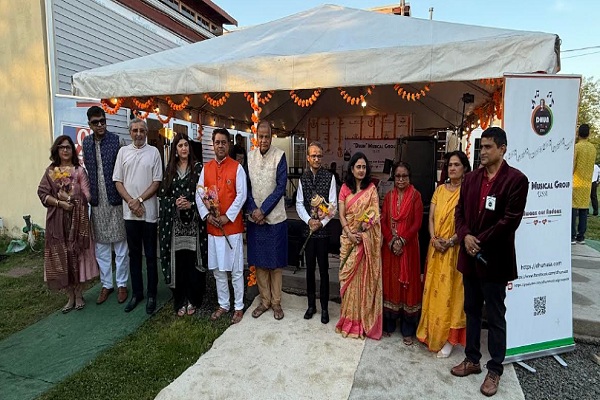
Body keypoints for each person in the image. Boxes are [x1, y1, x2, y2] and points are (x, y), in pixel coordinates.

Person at [451, 127, 528, 397]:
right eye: (481, 146)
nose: (482, 152)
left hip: (494, 261)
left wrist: (478, 241)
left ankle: (495, 369)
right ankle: (472, 359)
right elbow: (459, 212)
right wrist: (465, 236)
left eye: (488, 147)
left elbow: (510, 221)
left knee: (495, 316)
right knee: (472, 310)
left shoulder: (516, 180)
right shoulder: (471, 179)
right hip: (470, 259)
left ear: (502, 149)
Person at [417, 151, 471, 357]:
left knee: (451, 294)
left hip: (454, 250)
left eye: (457, 165)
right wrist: (433, 238)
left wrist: (450, 241)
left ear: (465, 168)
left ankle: (450, 339)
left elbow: (468, 223)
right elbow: (430, 218)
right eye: (449, 165)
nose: (452, 168)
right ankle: (431, 332)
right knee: (433, 291)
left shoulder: (467, 192)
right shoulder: (439, 191)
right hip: (435, 248)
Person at [37, 135, 98, 313]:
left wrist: (71, 198)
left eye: (68, 147)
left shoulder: (79, 171)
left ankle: (79, 295)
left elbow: (88, 196)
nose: (65, 150)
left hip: (77, 222)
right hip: (56, 222)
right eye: (61, 147)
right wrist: (60, 203)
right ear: (57, 150)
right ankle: (69, 296)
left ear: (73, 150)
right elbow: (42, 193)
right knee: (61, 257)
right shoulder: (51, 171)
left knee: (76, 256)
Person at [196, 128, 247, 324]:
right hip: (213, 228)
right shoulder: (206, 168)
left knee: (235, 270)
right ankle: (223, 304)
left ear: (228, 144)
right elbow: (199, 194)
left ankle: (238, 306)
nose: (220, 146)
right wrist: (207, 216)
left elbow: (241, 195)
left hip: (231, 228)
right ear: (213, 144)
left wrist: (227, 217)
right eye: (217, 142)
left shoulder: (237, 167)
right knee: (218, 270)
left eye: (223, 142)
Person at [113, 119, 163, 314]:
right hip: (130, 214)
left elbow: (157, 181)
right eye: (135, 130)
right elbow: (118, 181)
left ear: (146, 132)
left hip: (148, 214)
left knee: (150, 255)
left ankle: (151, 294)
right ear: (130, 132)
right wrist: (131, 202)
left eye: (142, 130)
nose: (139, 134)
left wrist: (140, 200)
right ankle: (137, 293)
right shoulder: (123, 152)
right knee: (133, 255)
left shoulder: (154, 152)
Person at [82, 106, 129, 305]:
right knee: (101, 247)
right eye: (96, 122)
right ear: (89, 124)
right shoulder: (86, 143)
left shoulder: (117, 141)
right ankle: (107, 284)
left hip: (116, 200)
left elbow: (125, 169)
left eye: (103, 121)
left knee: (121, 246)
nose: (100, 125)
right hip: (97, 202)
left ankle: (122, 284)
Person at [159, 133, 207, 316]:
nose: (184, 148)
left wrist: (191, 205)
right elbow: (162, 196)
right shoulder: (169, 170)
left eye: (186, 145)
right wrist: (175, 203)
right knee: (179, 262)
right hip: (175, 226)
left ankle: (193, 299)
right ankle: (180, 300)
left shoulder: (199, 169)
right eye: (180, 146)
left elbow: (206, 196)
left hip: (194, 225)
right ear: (176, 149)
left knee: (192, 262)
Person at [336, 152, 383, 339]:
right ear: (352, 168)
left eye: (364, 167)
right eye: (358, 167)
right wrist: (349, 233)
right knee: (347, 281)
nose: (361, 170)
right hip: (348, 240)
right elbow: (341, 215)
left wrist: (363, 231)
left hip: (364, 241)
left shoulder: (371, 189)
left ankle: (361, 321)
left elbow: (375, 214)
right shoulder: (344, 188)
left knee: (362, 281)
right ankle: (348, 319)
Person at [246, 121, 288, 320]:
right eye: (260, 136)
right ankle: (264, 301)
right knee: (260, 262)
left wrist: (263, 211)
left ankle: (276, 303)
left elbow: (281, 187)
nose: (263, 140)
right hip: (255, 219)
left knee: (275, 263)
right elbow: (245, 186)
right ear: (256, 136)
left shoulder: (280, 156)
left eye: (267, 137)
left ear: (272, 137)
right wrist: (254, 211)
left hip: (275, 218)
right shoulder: (249, 157)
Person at [380, 162, 423, 344]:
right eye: (398, 176)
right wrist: (391, 240)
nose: (401, 179)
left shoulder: (416, 196)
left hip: (409, 247)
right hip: (390, 247)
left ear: (409, 177)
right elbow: (383, 221)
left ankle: (407, 329)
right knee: (391, 282)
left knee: (408, 285)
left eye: (404, 176)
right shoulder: (389, 197)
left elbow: (417, 223)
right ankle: (389, 324)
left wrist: (402, 240)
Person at [296, 141, 337, 324]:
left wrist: (321, 222)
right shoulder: (303, 178)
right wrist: (309, 221)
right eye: (313, 156)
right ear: (308, 158)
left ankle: (325, 308)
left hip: (323, 231)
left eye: (319, 156)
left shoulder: (329, 177)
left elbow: (333, 206)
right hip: (308, 230)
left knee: (324, 270)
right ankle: (311, 305)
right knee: (310, 269)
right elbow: (299, 203)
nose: (317, 159)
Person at [572, 124, 597, 243]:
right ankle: (581, 236)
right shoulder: (593, 149)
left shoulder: (577, 147)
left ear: (578, 134)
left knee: (573, 208)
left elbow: (573, 165)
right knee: (583, 209)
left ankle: (572, 235)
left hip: (576, 181)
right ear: (589, 134)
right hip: (587, 183)